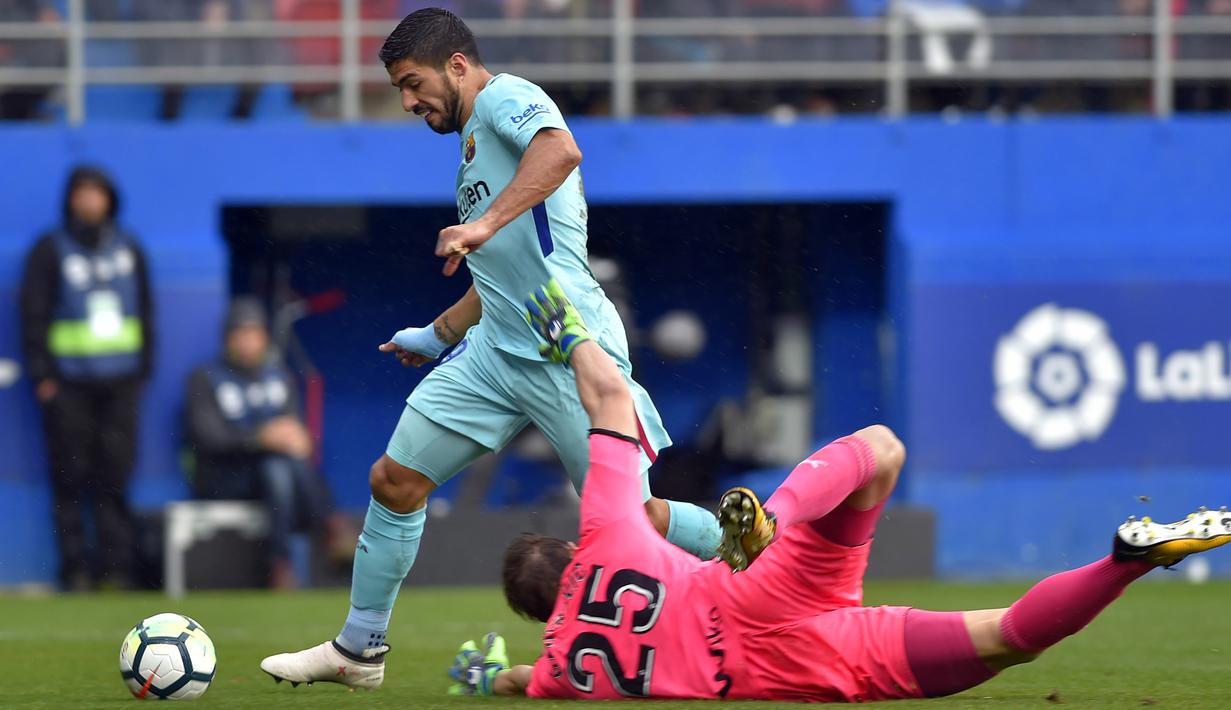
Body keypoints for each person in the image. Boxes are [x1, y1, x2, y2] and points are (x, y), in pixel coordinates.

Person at [444, 280, 1231, 701]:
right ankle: (774, 519)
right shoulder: (609, 531)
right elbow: (609, 403)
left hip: (781, 665)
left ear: (542, 615)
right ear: (572, 549)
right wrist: (571, 338)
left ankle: (1127, 561)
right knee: (880, 450)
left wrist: (488, 677)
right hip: (752, 590)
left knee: (1009, 638)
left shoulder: (562, 670)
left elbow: (521, 681)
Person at [259, 8, 721, 689]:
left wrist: (483, 222)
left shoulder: (507, 96)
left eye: (412, 83)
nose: (409, 101)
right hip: (495, 351)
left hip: (566, 344)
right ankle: (359, 650)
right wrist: (437, 332)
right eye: (398, 91)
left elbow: (561, 151)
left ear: (456, 65)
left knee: (637, 521)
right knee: (394, 481)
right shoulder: (472, 140)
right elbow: (501, 265)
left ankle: (753, 553)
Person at [19, 165, 154, 591]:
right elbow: (33, 314)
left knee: (115, 477)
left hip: (120, 385)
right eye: (82, 193)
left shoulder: (128, 246)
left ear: (109, 199)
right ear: (71, 199)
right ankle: (74, 570)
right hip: (68, 386)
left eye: (98, 193)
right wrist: (44, 376)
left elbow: (146, 312)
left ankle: (117, 570)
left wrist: (142, 370)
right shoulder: (51, 249)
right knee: (70, 478)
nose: (90, 201)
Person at [184, 297, 351, 589]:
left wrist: (297, 440)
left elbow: (294, 433)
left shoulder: (279, 376)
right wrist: (259, 438)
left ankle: (282, 566)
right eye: (242, 333)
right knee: (279, 468)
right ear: (228, 338)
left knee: (281, 467)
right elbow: (207, 437)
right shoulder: (206, 376)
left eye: (255, 333)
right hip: (224, 475)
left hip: (277, 477)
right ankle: (331, 528)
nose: (249, 341)